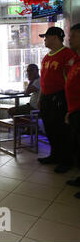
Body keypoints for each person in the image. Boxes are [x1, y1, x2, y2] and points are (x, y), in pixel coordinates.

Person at [37, 26, 77, 174]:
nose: (45, 40)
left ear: (54, 37)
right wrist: (41, 97)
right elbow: (43, 80)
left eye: (46, 37)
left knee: (63, 131)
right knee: (50, 128)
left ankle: (66, 161)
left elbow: (71, 81)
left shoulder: (68, 55)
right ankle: (54, 155)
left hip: (61, 98)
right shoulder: (47, 57)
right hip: (47, 98)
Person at [64, 23, 80, 199]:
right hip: (75, 110)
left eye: (74, 35)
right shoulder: (75, 60)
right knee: (77, 147)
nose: (70, 38)